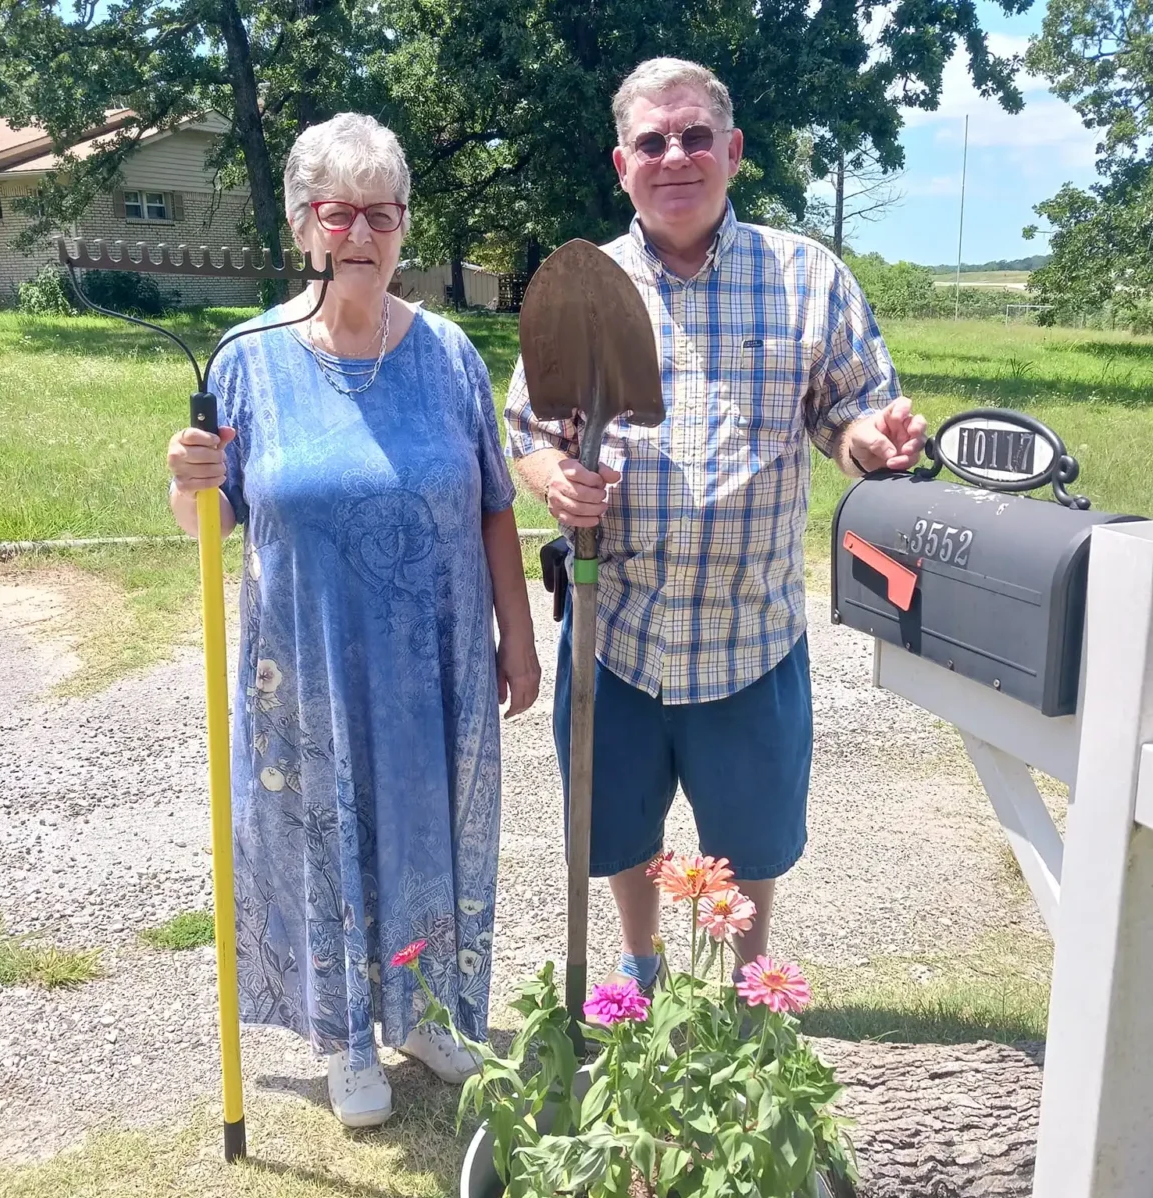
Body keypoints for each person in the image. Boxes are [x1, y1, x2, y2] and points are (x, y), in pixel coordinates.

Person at [504, 58, 927, 999]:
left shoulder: (806, 278)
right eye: (652, 141)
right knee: (618, 824)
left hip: (749, 629)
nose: (676, 156)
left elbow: (850, 412)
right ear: (623, 165)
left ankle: (747, 986)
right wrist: (555, 480)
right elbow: (529, 428)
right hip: (617, 627)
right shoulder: (583, 286)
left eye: (696, 136)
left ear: (732, 151)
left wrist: (870, 439)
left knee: (749, 836)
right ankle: (641, 964)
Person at [166, 112, 540, 1128]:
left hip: (435, 660)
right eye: (339, 213)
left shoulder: (451, 354)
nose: (362, 234)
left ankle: (424, 1012)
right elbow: (213, 516)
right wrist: (188, 479)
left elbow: (493, 503)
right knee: (320, 839)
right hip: (308, 664)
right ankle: (344, 1038)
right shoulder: (246, 357)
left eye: (383, 212)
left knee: (430, 832)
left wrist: (517, 634)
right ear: (303, 225)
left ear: (405, 224)